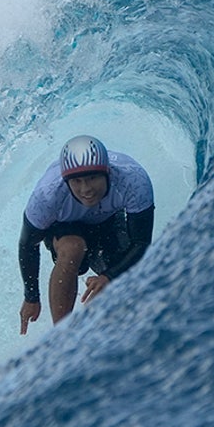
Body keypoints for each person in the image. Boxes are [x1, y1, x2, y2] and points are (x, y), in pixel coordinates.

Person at [18, 135, 155, 334]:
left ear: (107, 172)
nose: (86, 189)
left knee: (121, 275)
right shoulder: (47, 195)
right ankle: (62, 335)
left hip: (107, 222)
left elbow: (141, 243)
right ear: (66, 181)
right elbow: (27, 244)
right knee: (74, 247)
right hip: (65, 228)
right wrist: (31, 297)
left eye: (92, 178)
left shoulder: (133, 180)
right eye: (77, 181)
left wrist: (109, 276)